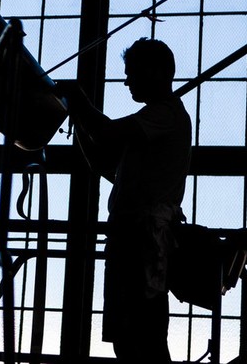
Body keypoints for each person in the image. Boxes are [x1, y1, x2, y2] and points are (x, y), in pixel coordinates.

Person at [56, 38, 192, 364]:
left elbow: (105, 138)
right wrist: (81, 121)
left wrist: (79, 103)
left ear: (156, 72)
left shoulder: (165, 115)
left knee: (141, 333)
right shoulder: (157, 120)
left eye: (132, 72)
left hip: (140, 240)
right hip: (133, 238)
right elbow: (106, 164)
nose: (127, 80)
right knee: (132, 333)